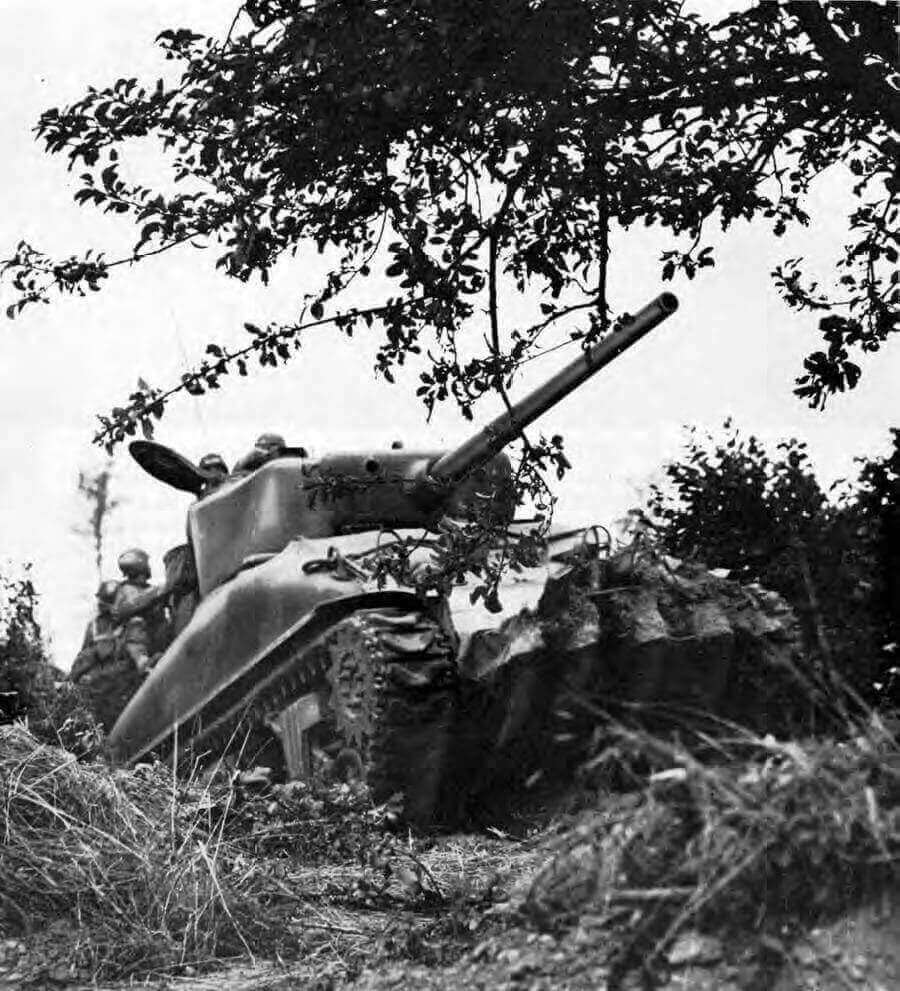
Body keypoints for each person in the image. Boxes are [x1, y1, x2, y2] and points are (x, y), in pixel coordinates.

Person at [112, 548, 170, 674]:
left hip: (155, 636)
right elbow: (129, 606)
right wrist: (156, 593)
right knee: (136, 622)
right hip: (132, 643)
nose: (149, 567)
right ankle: (142, 662)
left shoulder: (151, 589)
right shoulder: (125, 589)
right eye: (146, 564)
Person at [70, 579, 121, 683]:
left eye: (104, 604)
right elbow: (84, 654)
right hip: (97, 674)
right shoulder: (93, 625)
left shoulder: (125, 625)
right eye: (101, 604)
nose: (100, 606)